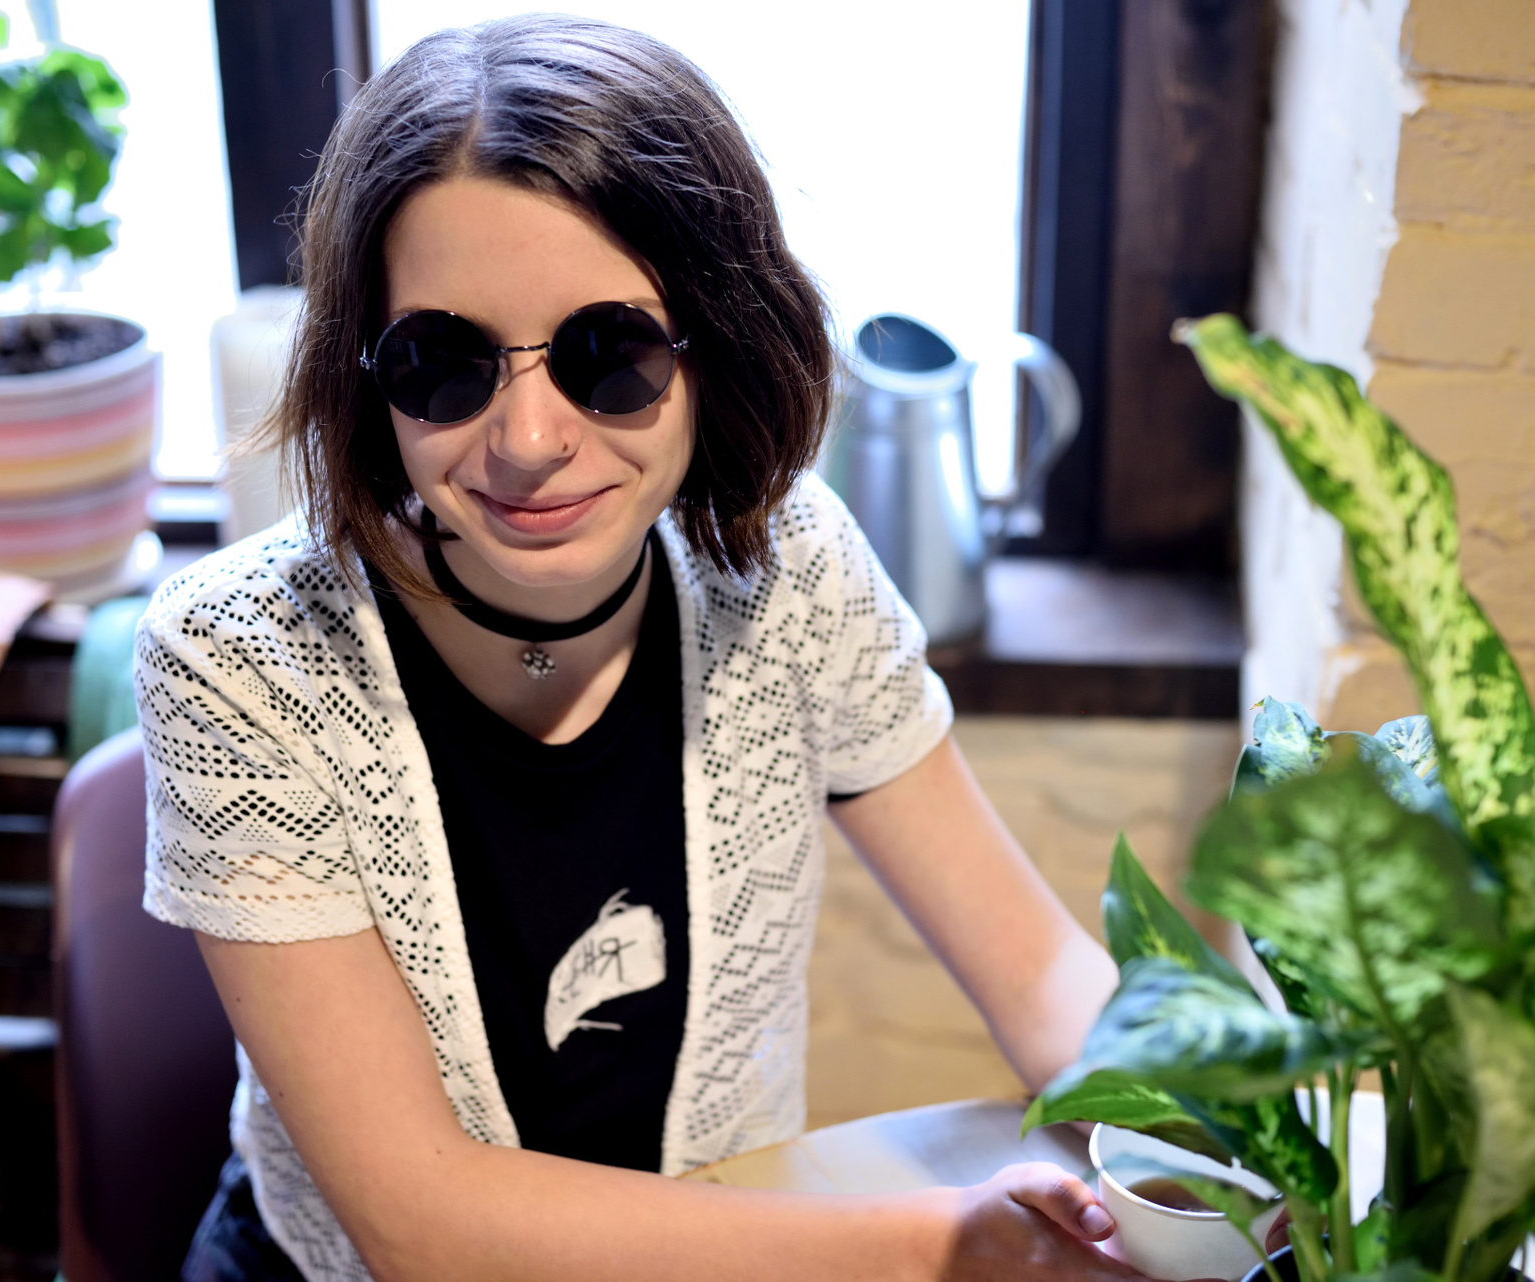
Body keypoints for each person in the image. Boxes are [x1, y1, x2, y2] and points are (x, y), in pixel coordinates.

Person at [140, 15, 1137, 1281]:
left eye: (608, 354)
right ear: (364, 372)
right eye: (442, 363)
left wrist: (1253, 1154)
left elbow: (1042, 974)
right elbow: (422, 1224)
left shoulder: (790, 569)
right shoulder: (236, 659)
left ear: (719, 338)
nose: (528, 441)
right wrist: (938, 1242)